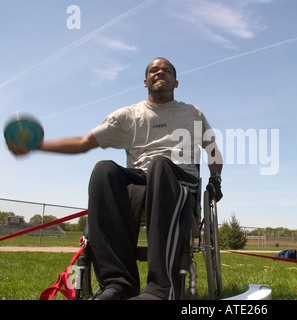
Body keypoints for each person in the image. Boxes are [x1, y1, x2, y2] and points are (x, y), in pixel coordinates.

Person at [8, 57, 223, 300]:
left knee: (160, 166)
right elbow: (83, 143)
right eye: (154, 70)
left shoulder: (192, 113)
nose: (160, 72)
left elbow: (213, 150)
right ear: (145, 81)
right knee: (104, 170)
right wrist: (38, 146)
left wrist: (216, 179)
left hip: (179, 181)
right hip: (142, 180)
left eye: (166, 70)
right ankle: (117, 286)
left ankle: (163, 289)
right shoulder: (128, 116)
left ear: (176, 82)